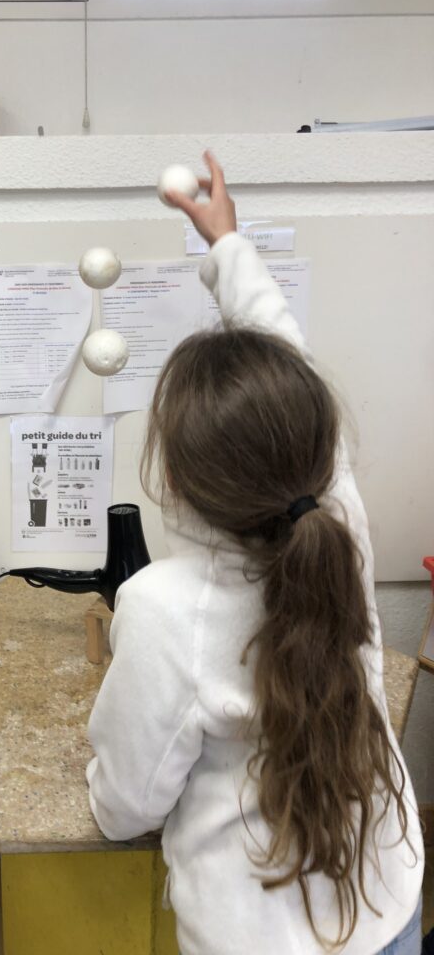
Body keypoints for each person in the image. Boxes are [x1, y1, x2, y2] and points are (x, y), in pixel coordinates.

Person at [86, 154, 423, 955]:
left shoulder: (165, 607)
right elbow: (288, 362)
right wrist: (228, 246)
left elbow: (126, 805)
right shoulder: (335, 516)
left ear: (174, 480)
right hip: (390, 905)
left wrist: (99, 776)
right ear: (317, 441)